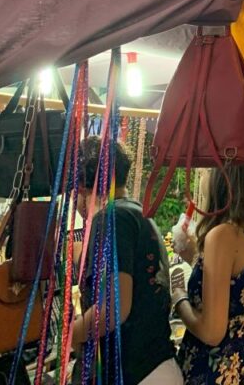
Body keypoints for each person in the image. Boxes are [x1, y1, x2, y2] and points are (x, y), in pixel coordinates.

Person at [71, 137, 181, 385]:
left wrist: (73, 333)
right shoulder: (135, 212)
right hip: (155, 364)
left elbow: (112, 309)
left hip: (137, 369)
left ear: (82, 186)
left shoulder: (110, 219)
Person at [174, 162, 244, 384]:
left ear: (220, 178)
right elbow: (234, 285)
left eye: (204, 172)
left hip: (219, 365)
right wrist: (196, 258)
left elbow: (212, 332)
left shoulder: (222, 235)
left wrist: (180, 300)